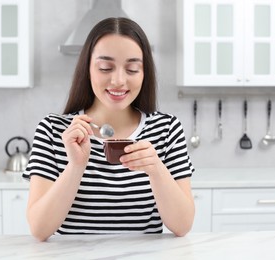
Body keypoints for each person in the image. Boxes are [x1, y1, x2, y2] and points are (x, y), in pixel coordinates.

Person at [22, 17, 195, 242]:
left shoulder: (167, 129)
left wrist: (157, 170)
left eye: (132, 69)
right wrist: (75, 166)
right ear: (88, 69)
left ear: (145, 73)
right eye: (105, 67)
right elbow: (39, 229)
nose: (118, 80)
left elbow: (182, 226)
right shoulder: (54, 130)